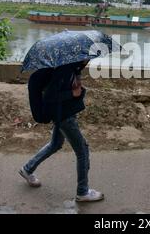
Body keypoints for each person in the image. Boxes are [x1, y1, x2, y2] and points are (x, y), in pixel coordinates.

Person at [19, 60, 104, 202]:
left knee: (56, 143)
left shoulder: (73, 68)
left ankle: (27, 169)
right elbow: (50, 96)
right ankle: (82, 192)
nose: (88, 59)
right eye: (87, 56)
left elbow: (70, 92)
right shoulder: (64, 70)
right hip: (64, 117)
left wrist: (77, 90)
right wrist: (72, 93)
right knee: (82, 150)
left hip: (63, 113)